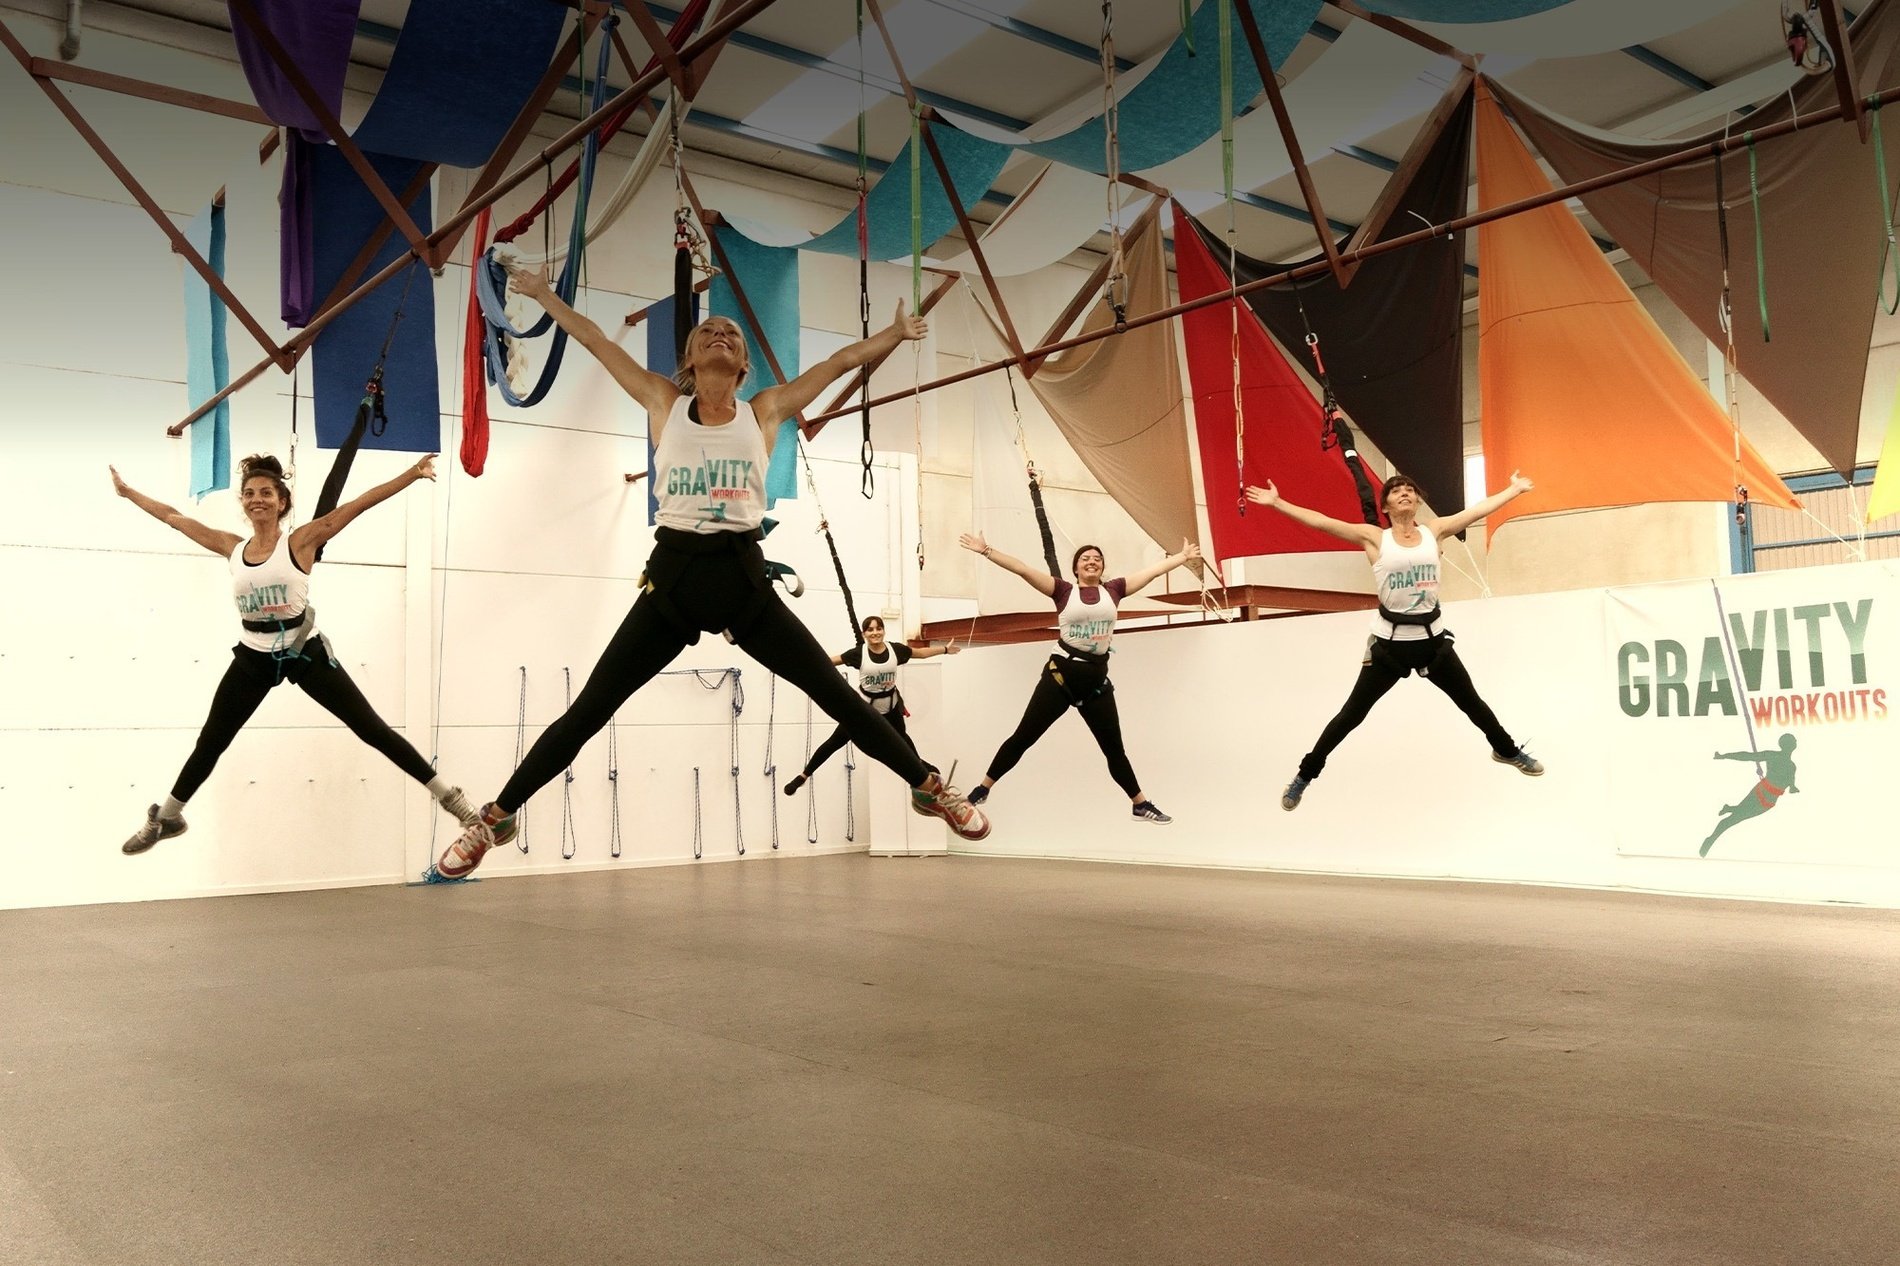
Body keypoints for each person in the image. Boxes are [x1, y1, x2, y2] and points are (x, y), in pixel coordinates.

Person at [434, 265, 988, 879]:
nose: (720, 333)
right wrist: (542, 296)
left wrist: (892, 335)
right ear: (690, 362)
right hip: (673, 579)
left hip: (743, 581)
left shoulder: (766, 410)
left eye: (731, 333)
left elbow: (838, 366)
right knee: (591, 707)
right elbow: (596, 340)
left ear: (744, 364)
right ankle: (498, 816)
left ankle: (928, 785)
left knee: (837, 695)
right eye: (708, 333)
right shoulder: (662, 402)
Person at [110, 453, 479, 854]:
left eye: (266, 493)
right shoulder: (231, 547)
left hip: (303, 651)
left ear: (281, 501)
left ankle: (452, 799)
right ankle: (166, 818)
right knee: (211, 741)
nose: (257, 499)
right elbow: (172, 516)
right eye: (249, 494)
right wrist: (129, 493)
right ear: (244, 503)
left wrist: (412, 473)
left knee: (370, 728)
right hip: (254, 656)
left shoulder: (301, 541)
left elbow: (358, 504)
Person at [1244, 471, 1544, 811]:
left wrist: (1514, 490)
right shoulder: (1374, 537)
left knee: (1473, 703)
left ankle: (1506, 750)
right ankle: (1304, 776)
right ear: (1385, 505)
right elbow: (1323, 522)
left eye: (1410, 490)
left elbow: (1477, 511)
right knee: (1349, 717)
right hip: (1389, 647)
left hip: (1433, 643)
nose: (1404, 493)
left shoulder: (1435, 531)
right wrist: (1278, 503)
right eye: (1396, 490)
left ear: (1417, 502)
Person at [956, 535, 1200, 823]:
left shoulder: (1115, 590)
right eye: (1085, 558)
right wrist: (986, 550)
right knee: (1023, 738)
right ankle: (982, 789)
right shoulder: (1062, 591)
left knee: (1115, 751)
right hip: (1060, 679)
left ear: (1102, 567)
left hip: (1096, 685)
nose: (1092, 561)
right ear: (1076, 569)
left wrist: (1182, 558)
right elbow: (1022, 569)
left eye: (1097, 558)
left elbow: (1151, 573)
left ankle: (1140, 804)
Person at [783, 615, 959, 795]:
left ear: (883, 630)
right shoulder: (859, 654)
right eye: (870, 630)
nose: (875, 633)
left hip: (890, 708)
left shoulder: (895, 650)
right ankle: (804, 775)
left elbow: (919, 653)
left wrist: (944, 649)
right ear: (864, 634)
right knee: (835, 742)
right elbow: (829, 662)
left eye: (878, 628)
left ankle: (921, 768)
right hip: (862, 711)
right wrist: (800, 664)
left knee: (903, 740)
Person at [1701, 733, 1798, 857]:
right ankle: (1711, 839)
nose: (1795, 742)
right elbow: (1747, 756)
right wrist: (1724, 756)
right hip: (1760, 794)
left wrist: (1793, 787)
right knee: (1735, 819)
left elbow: (1790, 781)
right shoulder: (1773, 756)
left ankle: (1730, 809)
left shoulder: (1792, 766)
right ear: (1789, 744)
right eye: (1793, 741)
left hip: (1769, 802)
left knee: (1740, 815)